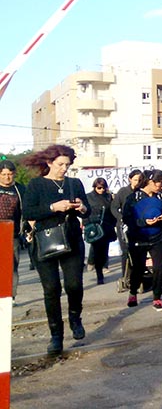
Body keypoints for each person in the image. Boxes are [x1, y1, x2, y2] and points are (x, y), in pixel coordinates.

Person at [23, 145, 91, 355]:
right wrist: (54, 207)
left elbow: (87, 211)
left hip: (72, 241)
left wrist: (81, 208)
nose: (64, 169)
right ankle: (56, 335)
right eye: (60, 164)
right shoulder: (36, 185)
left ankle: (75, 317)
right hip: (46, 241)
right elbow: (28, 211)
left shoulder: (74, 183)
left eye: (67, 165)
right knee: (51, 289)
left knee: (74, 285)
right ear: (49, 163)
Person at [122, 170, 162, 311]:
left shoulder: (161, 196)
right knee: (138, 267)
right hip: (139, 237)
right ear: (150, 181)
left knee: (159, 267)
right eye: (158, 182)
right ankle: (133, 292)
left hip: (158, 236)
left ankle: (157, 297)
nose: (160, 186)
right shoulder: (133, 197)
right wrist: (143, 222)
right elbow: (127, 218)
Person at [0, 160, 25, 306]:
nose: (7, 177)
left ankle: (10, 296)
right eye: (3, 175)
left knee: (11, 266)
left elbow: (26, 211)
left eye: (9, 174)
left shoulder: (20, 190)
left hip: (12, 233)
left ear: (14, 174)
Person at [111, 169, 143, 280]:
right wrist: (121, 218)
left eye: (139, 180)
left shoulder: (141, 192)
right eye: (135, 180)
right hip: (123, 226)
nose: (137, 182)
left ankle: (139, 274)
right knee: (126, 251)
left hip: (139, 225)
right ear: (130, 179)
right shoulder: (123, 191)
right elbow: (114, 207)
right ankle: (126, 275)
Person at [84, 178, 117, 285]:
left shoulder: (108, 196)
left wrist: (114, 223)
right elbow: (85, 212)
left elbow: (112, 210)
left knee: (105, 248)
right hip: (94, 227)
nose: (101, 190)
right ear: (94, 187)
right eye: (99, 188)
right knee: (96, 249)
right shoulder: (88, 197)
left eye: (103, 187)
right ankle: (99, 274)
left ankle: (104, 265)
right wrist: (87, 224)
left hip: (106, 226)